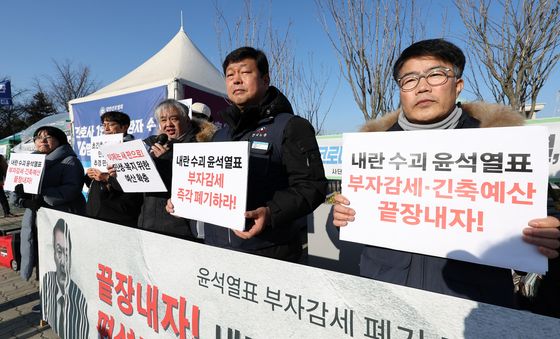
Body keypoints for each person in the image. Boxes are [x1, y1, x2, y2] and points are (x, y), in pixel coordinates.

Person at [332, 39, 560, 308]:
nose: (422, 86)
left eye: (436, 75)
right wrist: (345, 211)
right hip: (384, 288)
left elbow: (543, 212)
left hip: (473, 300)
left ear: (458, 84)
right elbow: (358, 208)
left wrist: (551, 230)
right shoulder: (372, 148)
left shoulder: (500, 141)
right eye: (410, 79)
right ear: (401, 90)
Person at [168, 47, 327, 262]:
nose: (236, 80)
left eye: (245, 72)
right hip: (216, 250)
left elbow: (312, 186)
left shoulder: (291, 127)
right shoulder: (220, 135)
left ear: (265, 79)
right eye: (230, 75)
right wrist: (185, 202)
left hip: (269, 250)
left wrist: (271, 213)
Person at [14, 126, 86, 283]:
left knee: (58, 262)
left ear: (59, 140)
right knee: (40, 257)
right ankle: (45, 300)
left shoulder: (70, 161)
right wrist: (21, 198)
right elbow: (15, 188)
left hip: (59, 219)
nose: (42, 141)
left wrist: (43, 197)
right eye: (38, 138)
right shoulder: (28, 162)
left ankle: (58, 303)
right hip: (34, 218)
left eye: (48, 137)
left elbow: (70, 190)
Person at [136, 99, 215, 239]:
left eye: (174, 119)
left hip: (180, 230)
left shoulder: (200, 147)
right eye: (163, 120)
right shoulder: (151, 144)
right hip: (146, 224)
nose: (168, 124)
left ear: (187, 120)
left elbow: (198, 186)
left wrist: (166, 160)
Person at [85, 111, 142, 227]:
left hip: (119, 214)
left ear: (124, 127)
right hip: (95, 209)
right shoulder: (99, 147)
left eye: (110, 124)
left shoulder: (134, 149)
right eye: (104, 124)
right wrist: (89, 175)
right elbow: (90, 182)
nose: (106, 128)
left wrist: (107, 178)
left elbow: (136, 183)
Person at [41, 218, 89, 339]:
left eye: (66, 253)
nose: (62, 260)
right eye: (59, 251)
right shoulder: (47, 280)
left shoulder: (81, 297)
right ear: (53, 252)